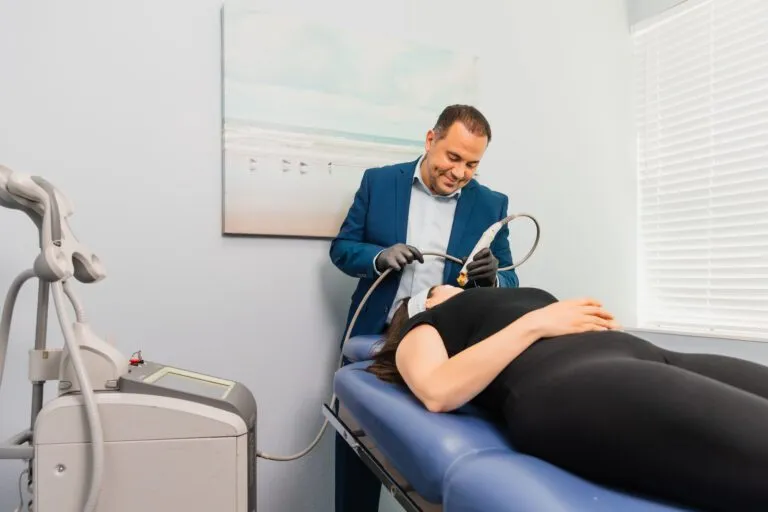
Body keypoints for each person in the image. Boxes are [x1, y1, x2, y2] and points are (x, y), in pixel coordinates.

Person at [366, 284, 768, 512]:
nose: (458, 282)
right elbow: (437, 391)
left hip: (645, 354)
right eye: (443, 285)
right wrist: (536, 322)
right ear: (427, 300)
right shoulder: (428, 321)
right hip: (578, 382)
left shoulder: (509, 294)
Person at [329, 105, 520, 511]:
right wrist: (379, 257)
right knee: (355, 445)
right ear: (430, 140)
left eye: (472, 164)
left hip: (442, 344)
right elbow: (342, 249)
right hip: (374, 333)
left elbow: (510, 281)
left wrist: (492, 278)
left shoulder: (491, 204)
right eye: (453, 157)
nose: (460, 172)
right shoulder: (380, 183)